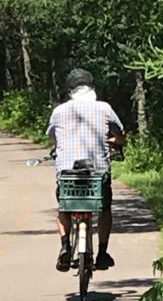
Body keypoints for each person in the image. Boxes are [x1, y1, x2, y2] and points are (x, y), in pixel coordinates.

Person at [46, 68, 125, 272]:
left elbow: (52, 137)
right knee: (104, 208)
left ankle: (65, 245)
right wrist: (115, 142)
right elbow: (120, 133)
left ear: (69, 90)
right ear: (91, 88)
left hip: (68, 172)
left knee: (64, 207)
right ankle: (102, 251)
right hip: (98, 172)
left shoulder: (59, 111)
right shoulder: (104, 108)